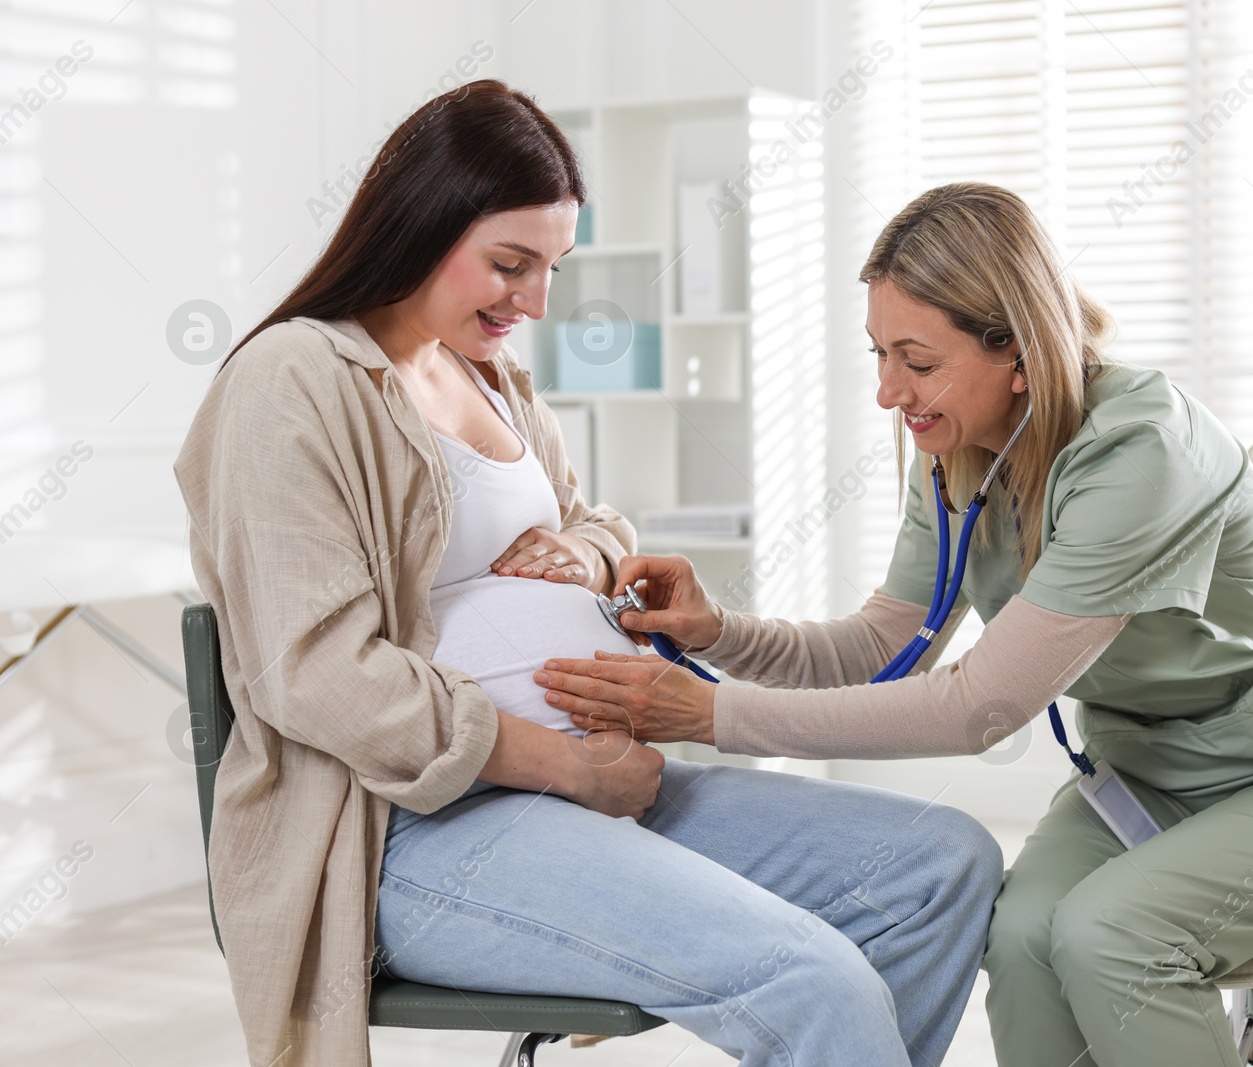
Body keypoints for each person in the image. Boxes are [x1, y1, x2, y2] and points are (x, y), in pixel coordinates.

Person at [537, 182, 1253, 1067]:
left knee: (1114, 935)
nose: (889, 394)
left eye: (920, 361)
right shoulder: (956, 457)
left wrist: (707, 716)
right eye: (879, 354)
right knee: (1019, 936)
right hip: (1156, 777)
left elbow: (982, 708)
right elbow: (880, 648)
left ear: (1020, 351)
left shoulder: (1141, 449)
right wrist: (715, 633)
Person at [174, 80, 1001, 1067]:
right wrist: (572, 765)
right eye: (510, 264)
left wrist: (593, 550)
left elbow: (585, 522)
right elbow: (317, 675)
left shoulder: (493, 379)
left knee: (942, 864)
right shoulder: (292, 382)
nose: (536, 302)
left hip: (590, 791)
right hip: (410, 832)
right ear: (417, 224)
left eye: (553, 267)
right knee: (815, 982)